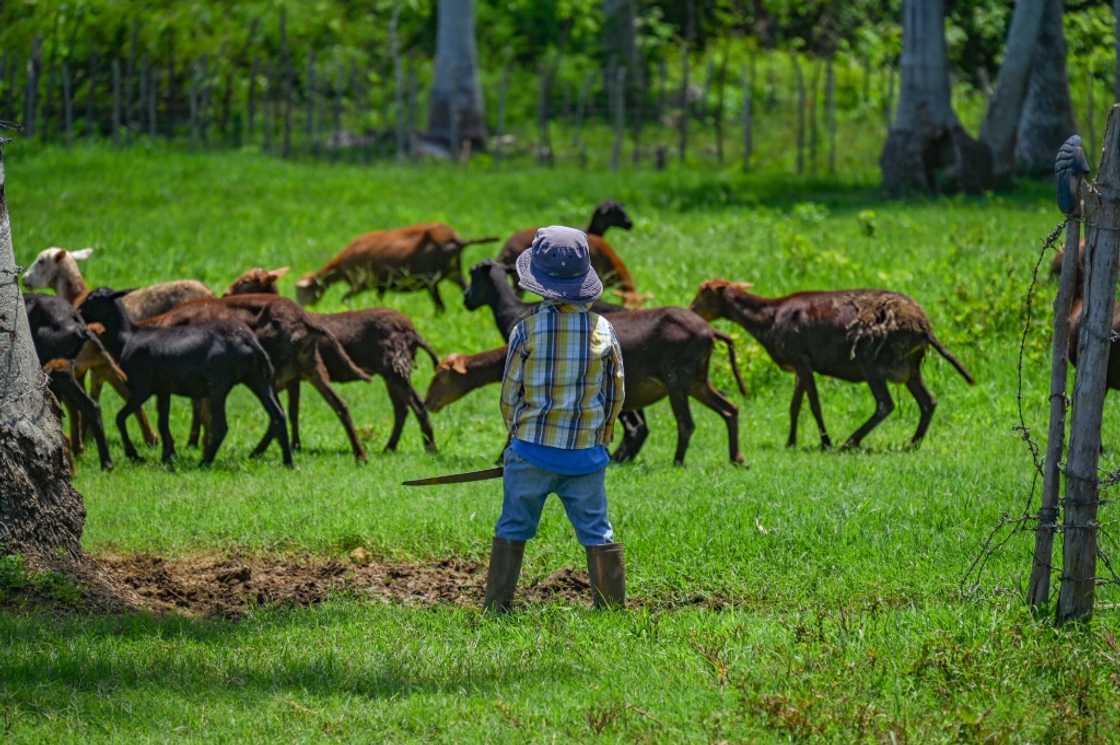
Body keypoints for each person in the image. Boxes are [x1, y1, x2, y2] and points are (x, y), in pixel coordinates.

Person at [483, 225, 627, 612]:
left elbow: (509, 394)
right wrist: (601, 437)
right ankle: (612, 612)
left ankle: (497, 608)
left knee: (513, 526)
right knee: (598, 531)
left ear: (537, 282)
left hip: (530, 453)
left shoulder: (525, 331)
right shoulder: (604, 330)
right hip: (586, 458)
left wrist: (518, 439)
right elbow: (616, 394)